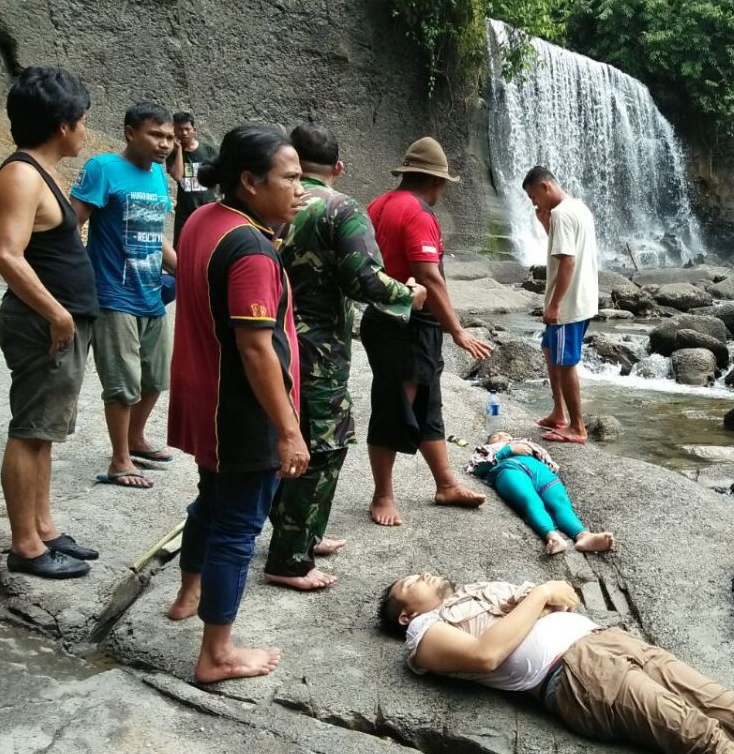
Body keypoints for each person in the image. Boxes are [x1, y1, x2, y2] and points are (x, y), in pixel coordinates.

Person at [379, 573, 734, 754]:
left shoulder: (476, 591)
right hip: (576, 675)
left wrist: (547, 596)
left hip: (608, 640)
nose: (423, 573)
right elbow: (486, 654)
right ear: (406, 614)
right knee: (700, 734)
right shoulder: (423, 634)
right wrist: (539, 595)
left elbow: (565, 596)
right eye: (410, 581)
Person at [164, 125, 309, 682]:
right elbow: (255, 349)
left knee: (210, 502)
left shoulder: (204, 217)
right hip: (241, 413)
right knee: (239, 527)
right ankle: (216, 654)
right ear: (249, 182)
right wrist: (288, 428)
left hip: (207, 400)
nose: (301, 188)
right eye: (290, 177)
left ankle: (188, 590)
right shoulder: (249, 247)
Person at [262, 124, 427, 591]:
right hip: (317, 349)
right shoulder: (339, 208)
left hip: (265, 337)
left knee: (284, 433)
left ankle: (304, 532)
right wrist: (409, 295)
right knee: (323, 445)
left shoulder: (269, 204)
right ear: (337, 167)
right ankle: (290, 558)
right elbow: (366, 282)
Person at [0, 66, 100, 579]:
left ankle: (44, 528)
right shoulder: (19, 174)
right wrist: (58, 313)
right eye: (82, 120)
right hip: (45, 322)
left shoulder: (42, 171)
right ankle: (25, 546)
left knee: (44, 431)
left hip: (59, 322)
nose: (85, 128)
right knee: (30, 430)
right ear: (62, 125)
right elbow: (7, 255)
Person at [363, 137, 493, 527]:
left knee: (427, 401)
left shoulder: (378, 204)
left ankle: (446, 483)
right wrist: (457, 330)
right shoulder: (418, 213)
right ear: (436, 182)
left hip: (384, 315)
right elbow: (429, 277)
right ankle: (382, 495)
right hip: (408, 324)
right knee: (395, 404)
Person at [71, 101, 176, 489]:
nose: (164, 144)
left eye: (168, 137)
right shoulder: (102, 169)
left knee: (155, 378)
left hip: (151, 293)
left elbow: (153, 234)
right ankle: (119, 460)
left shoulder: (159, 177)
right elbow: (72, 224)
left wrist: (188, 272)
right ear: (131, 132)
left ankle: (135, 439)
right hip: (112, 294)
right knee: (123, 384)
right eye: (155, 134)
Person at [522, 167, 598, 444]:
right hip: (582, 297)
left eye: (532, 196)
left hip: (569, 305)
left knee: (566, 363)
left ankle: (577, 426)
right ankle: (558, 412)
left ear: (545, 187)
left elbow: (568, 261)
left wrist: (555, 305)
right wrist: (545, 226)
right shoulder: (577, 207)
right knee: (548, 348)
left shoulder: (562, 214)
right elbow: (564, 249)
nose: (533, 203)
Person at [467, 431, 614, 555]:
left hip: (541, 472)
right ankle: (553, 537)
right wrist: (508, 450)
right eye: (496, 436)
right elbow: (477, 469)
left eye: (505, 434)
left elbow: (550, 462)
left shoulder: (527, 443)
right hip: (510, 468)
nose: (501, 436)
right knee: (531, 501)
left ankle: (583, 536)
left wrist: (526, 449)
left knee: (561, 503)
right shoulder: (486, 449)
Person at [167, 111, 218, 246]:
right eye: (179, 129)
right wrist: (178, 150)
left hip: (207, 211)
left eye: (187, 129)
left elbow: (219, 176)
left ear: (194, 130)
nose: (184, 133)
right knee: (181, 248)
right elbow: (177, 176)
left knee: (207, 247)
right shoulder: (172, 153)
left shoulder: (209, 150)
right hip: (184, 213)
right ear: (174, 131)